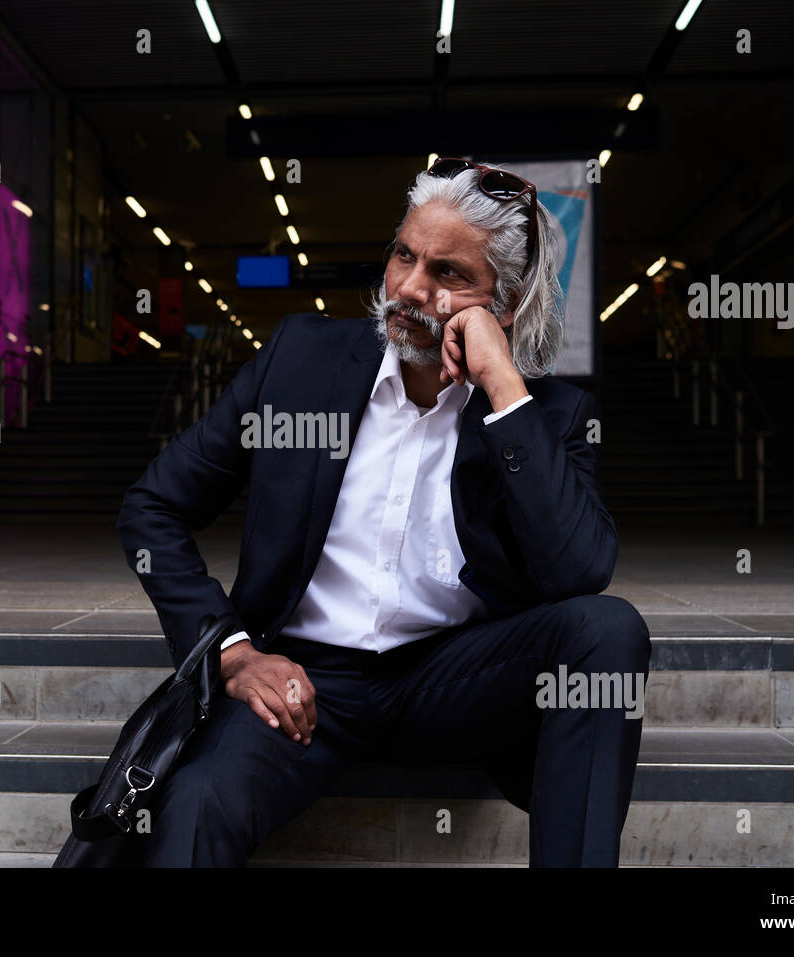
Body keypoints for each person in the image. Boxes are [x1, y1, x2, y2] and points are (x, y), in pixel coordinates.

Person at [116, 157, 650, 866]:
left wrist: (500, 385)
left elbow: (580, 569)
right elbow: (152, 506)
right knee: (197, 802)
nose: (409, 288)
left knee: (609, 629)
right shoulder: (300, 361)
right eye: (404, 254)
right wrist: (232, 651)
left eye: (449, 274)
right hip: (304, 681)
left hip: (450, 682)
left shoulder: (545, 414)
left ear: (507, 304)